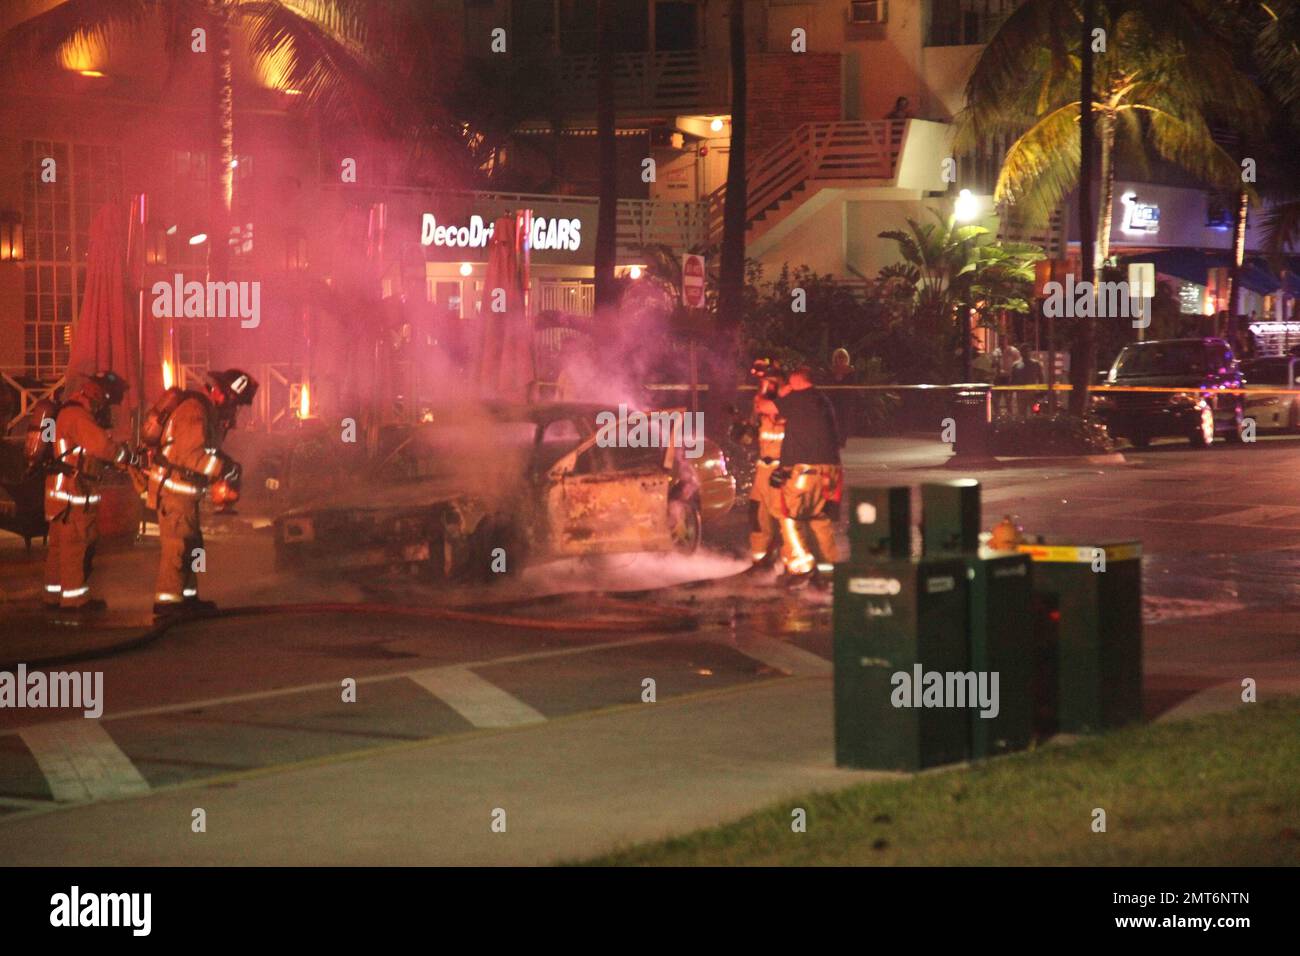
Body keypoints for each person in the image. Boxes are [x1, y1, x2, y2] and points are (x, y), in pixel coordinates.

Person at [147, 369, 256, 618]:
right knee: (178, 547)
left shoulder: (205, 412)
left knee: (194, 546)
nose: (234, 410)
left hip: (187, 493)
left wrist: (227, 465)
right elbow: (191, 456)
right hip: (175, 492)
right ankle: (167, 603)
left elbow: (207, 450)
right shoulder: (194, 411)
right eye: (234, 403)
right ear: (220, 394)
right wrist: (222, 469)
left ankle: (188, 598)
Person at [41, 372, 135, 615]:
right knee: (76, 546)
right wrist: (128, 456)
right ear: (98, 396)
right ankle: (74, 601)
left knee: (58, 547)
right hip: (74, 493)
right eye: (107, 401)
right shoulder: (79, 416)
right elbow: (102, 447)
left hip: (59, 492)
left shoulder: (69, 411)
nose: (106, 408)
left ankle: (52, 595)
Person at [755, 367, 842, 590]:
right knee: (818, 519)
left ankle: (803, 568)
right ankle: (833, 570)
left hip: (807, 472)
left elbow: (762, 406)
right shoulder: (822, 400)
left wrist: (770, 390)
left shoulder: (797, 398)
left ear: (795, 381)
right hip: (830, 472)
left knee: (788, 517)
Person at [746, 359, 786, 570]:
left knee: (783, 519)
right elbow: (753, 432)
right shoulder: (761, 404)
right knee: (756, 514)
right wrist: (744, 431)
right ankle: (760, 560)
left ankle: (788, 562)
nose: (763, 387)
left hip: (781, 468)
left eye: (767, 382)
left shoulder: (786, 403)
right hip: (763, 468)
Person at [827, 348, 860, 444]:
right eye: (839, 357)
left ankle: (842, 440)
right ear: (835, 359)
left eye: (843, 357)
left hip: (846, 399)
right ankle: (834, 439)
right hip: (834, 398)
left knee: (844, 420)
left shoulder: (851, 371)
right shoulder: (831, 370)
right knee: (834, 419)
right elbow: (829, 383)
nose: (841, 360)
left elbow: (853, 385)